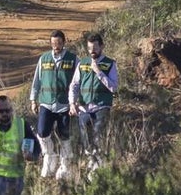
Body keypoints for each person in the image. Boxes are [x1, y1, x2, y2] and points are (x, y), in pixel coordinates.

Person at [29, 29, 78, 179]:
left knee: (64, 136)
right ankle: (49, 159)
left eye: (58, 43)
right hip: (46, 102)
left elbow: (78, 81)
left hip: (64, 104)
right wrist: (33, 99)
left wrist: (74, 102)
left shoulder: (73, 59)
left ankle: (65, 167)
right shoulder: (43, 59)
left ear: (64, 43)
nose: (56, 46)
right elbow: (36, 80)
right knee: (42, 132)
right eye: (53, 43)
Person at [68, 33, 119, 175]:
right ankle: (91, 160)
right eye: (90, 48)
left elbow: (114, 87)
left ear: (102, 46)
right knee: (85, 137)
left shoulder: (110, 63)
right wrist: (72, 103)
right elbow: (74, 85)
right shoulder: (82, 63)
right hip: (84, 107)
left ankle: (98, 166)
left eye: (95, 47)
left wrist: (99, 72)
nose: (92, 51)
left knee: (98, 134)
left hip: (102, 105)